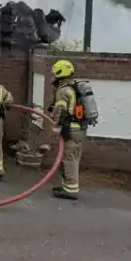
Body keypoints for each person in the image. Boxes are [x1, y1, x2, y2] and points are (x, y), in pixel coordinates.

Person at [50, 59, 84, 200]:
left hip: (70, 130)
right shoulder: (75, 87)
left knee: (68, 159)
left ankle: (70, 190)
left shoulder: (63, 90)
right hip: (80, 129)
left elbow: (61, 112)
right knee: (74, 158)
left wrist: (56, 129)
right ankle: (68, 186)